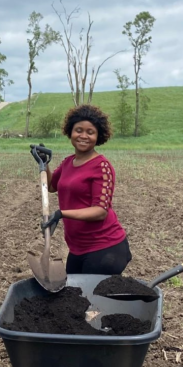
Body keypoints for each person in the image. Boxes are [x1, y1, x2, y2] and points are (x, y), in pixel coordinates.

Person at [31, 103, 131, 275]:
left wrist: (62, 213)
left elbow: (100, 211)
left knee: (90, 298)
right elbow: (52, 186)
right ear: (70, 132)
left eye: (90, 132)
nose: (83, 136)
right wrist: (44, 164)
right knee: (75, 296)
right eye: (78, 130)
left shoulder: (102, 167)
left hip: (105, 248)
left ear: (98, 136)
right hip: (78, 249)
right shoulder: (69, 162)